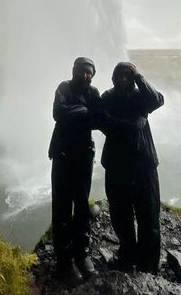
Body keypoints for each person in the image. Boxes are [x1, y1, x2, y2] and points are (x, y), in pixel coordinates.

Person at [100, 61, 164, 273]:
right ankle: (127, 256)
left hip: (144, 167)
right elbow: (100, 120)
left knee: (149, 216)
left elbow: (157, 100)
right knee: (120, 216)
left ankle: (149, 264)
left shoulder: (140, 97)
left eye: (128, 76)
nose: (123, 79)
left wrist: (139, 76)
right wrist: (134, 124)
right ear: (113, 78)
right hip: (117, 167)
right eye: (120, 75)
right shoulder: (108, 98)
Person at [48, 56, 102, 282]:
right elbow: (59, 114)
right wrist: (84, 112)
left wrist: (78, 112)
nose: (86, 75)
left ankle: (82, 253)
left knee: (81, 204)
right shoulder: (64, 87)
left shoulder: (93, 93)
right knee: (61, 206)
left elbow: (99, 118)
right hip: (62, 155)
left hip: (83, 157)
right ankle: (64, 262)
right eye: (82, 71)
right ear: (74, 71)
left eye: (89, 72)